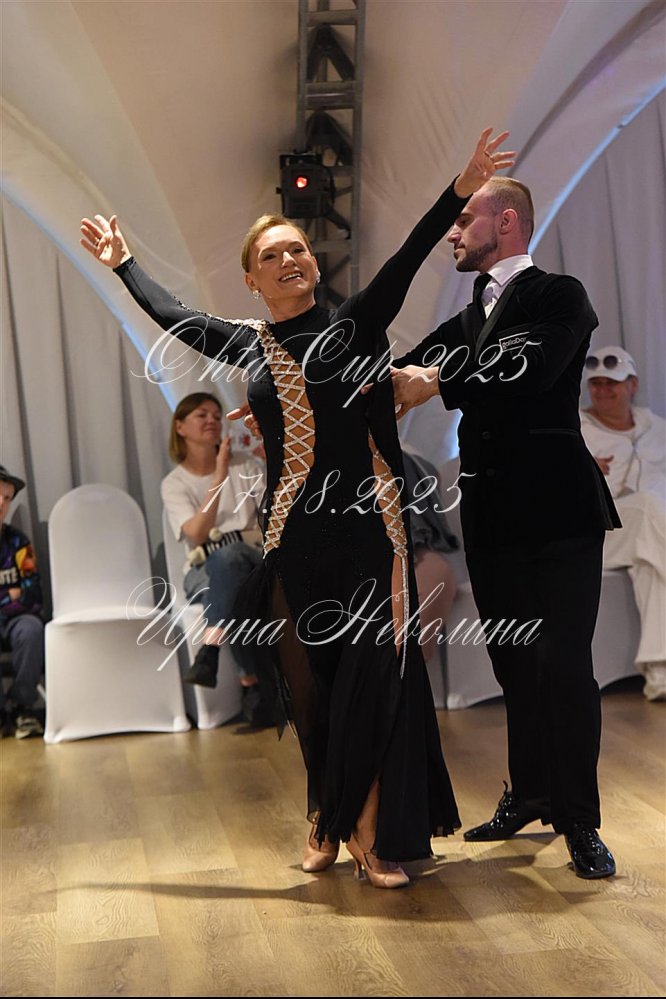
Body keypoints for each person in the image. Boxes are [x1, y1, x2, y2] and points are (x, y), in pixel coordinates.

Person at [80, 129, 515, 889]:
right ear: (252, 280)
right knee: (310, 688)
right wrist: (123, 263)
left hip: (371, 532)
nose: (290, 259)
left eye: (299, 250)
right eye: (272, 255)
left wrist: (459, 186)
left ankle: (370, 835)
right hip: (292, 535)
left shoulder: (354, 325)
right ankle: (325, 814)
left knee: (370, 680)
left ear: (315, 264)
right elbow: (174, 316)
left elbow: (411, 253)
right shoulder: (249, 344)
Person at [389, 176, 619, 879]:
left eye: (464, 219)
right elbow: (395, 372)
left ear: (508, 221)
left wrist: (439, 382)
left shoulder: (560, 295)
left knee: (565, 666)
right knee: (514, 662)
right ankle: (530, 793)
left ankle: (578, 819)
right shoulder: (467, 320)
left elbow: (531, 367)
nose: (454, 234)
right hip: (490, 516)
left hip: (560, 512)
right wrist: (288, 399)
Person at [161, 392, 276, 726]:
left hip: (252, 558)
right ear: (180, 427)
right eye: (202, 415)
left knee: (233, 561)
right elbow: (197, 534)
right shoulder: (174, 483)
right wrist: (219, 474)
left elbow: (271, 517)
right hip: (203, 570)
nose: (212, 420)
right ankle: (257, 687)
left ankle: (216, 654)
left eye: (216, 415)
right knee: (229, 572)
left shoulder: (246, 465)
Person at [580, 346, 666, 701]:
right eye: (596, 384)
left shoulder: (656, 427)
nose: (602, 390)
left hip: (651, 534)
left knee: (651, 564)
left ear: (632, 385)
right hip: (599, 534)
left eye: (611, 383)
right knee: (647, 507)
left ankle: (660, 674)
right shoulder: (574, 431)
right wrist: (583, 471)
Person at [0, 467, 45, 739]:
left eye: (7, 498)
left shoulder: (18, 542)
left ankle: (23, 708)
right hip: (11, 609)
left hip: (17, 619)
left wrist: (14, 598)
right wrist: (11, 594)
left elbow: (32, 595)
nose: (1, 503)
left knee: (32, 629)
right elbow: (19, 593)